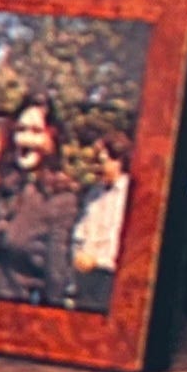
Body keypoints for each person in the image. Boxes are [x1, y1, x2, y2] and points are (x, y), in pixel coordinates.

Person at [0, 93, 79, 306]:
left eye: (36, 132)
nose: (25, 140)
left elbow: (56, 277)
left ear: (51, 138)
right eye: (20, 130)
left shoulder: (59, 199)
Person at [71, 130, 133, 312]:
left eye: (102, 160)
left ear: (117, 160)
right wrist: (78, 254)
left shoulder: (128, 195)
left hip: (109, 277)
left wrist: (98, 260)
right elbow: (81, 229)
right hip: (85, 276)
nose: (97, 166)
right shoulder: (94, 193)